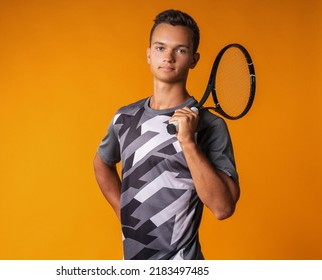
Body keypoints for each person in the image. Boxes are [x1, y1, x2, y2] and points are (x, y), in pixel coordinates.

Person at [93, 9, 240, 260]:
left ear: (194, 59)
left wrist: (188, 142)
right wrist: (125, 213)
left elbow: (223, 208)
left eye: (180, 50)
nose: (168, 57)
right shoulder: (124, 118)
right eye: (160, 48)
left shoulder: (209, 125)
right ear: (149, 54)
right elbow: (101, 163)